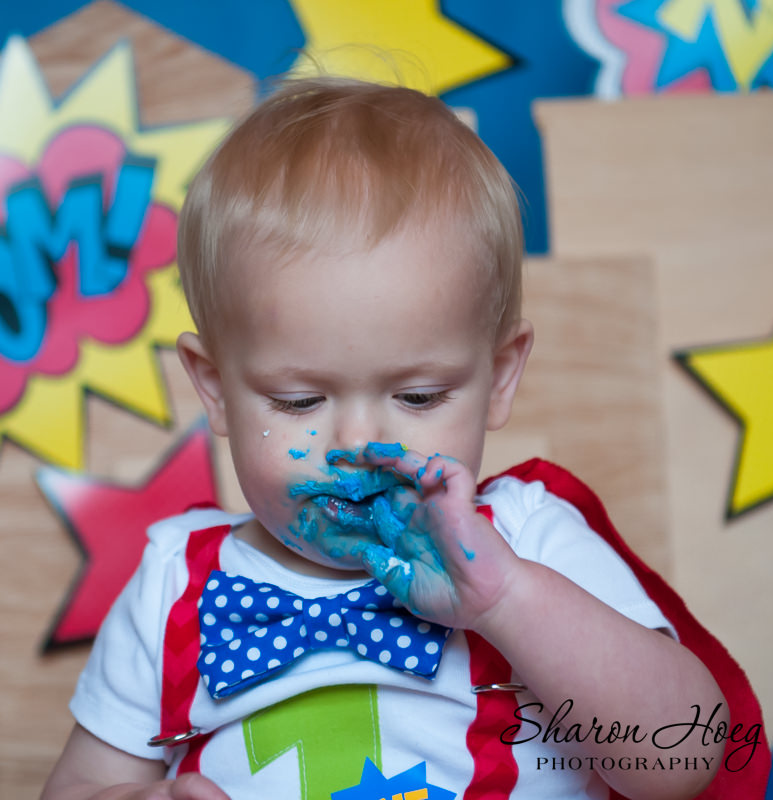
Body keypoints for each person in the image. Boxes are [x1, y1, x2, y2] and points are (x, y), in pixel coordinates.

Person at [42, 77, 730, 800]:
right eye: (299, 400)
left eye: (418, 396)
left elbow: (684, 759)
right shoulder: (172, 586)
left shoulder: (525, 542)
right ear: (214, 388)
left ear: (499, 377)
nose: (358, 443)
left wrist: (506, 601)